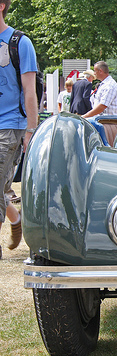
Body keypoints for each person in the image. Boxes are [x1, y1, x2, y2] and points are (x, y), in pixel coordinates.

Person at [0, 0, 38, 258]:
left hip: (9, 126)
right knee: (2, 187)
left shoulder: (19, 43)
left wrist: (31, 130)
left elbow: (29, 91)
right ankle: (15, 219)